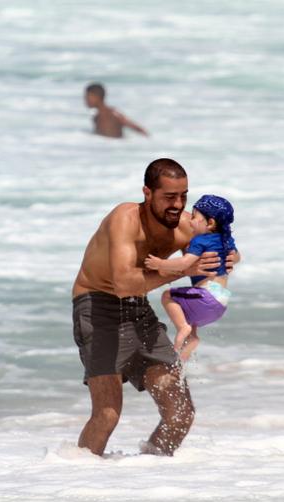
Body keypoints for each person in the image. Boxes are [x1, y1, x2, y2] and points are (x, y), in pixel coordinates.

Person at [71, 158, 240, 456]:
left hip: (139, 309)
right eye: (169, 197)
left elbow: (215, 262)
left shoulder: (187, 227)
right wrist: (180, 269)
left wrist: (225, 263)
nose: (178, 205)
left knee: (180, 413)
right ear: (148, 193)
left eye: (184, 196)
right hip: (98, 307)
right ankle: (75, 478)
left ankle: (150, 477)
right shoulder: (125, 218)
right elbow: (123, 283)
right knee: (107, 414)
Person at [145, 195, 236, 361]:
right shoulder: (226, 240)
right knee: (187, 312)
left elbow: (184, 262)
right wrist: (233, 259)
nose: (189, 221)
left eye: (194, 217)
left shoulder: (200, 241)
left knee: (168, 296)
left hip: (206, 296)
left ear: (210, 223)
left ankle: (183, 329)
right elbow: (236, 256)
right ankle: (188, 345)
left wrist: (160, 264)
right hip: (221, 302)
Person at [84, 82, 149, 138]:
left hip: (117, 150)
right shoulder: (96, 117)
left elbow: (138, 129)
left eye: (88, 97)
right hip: (107, 149)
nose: (86, 100)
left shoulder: (113, 114)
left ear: (97, 97)